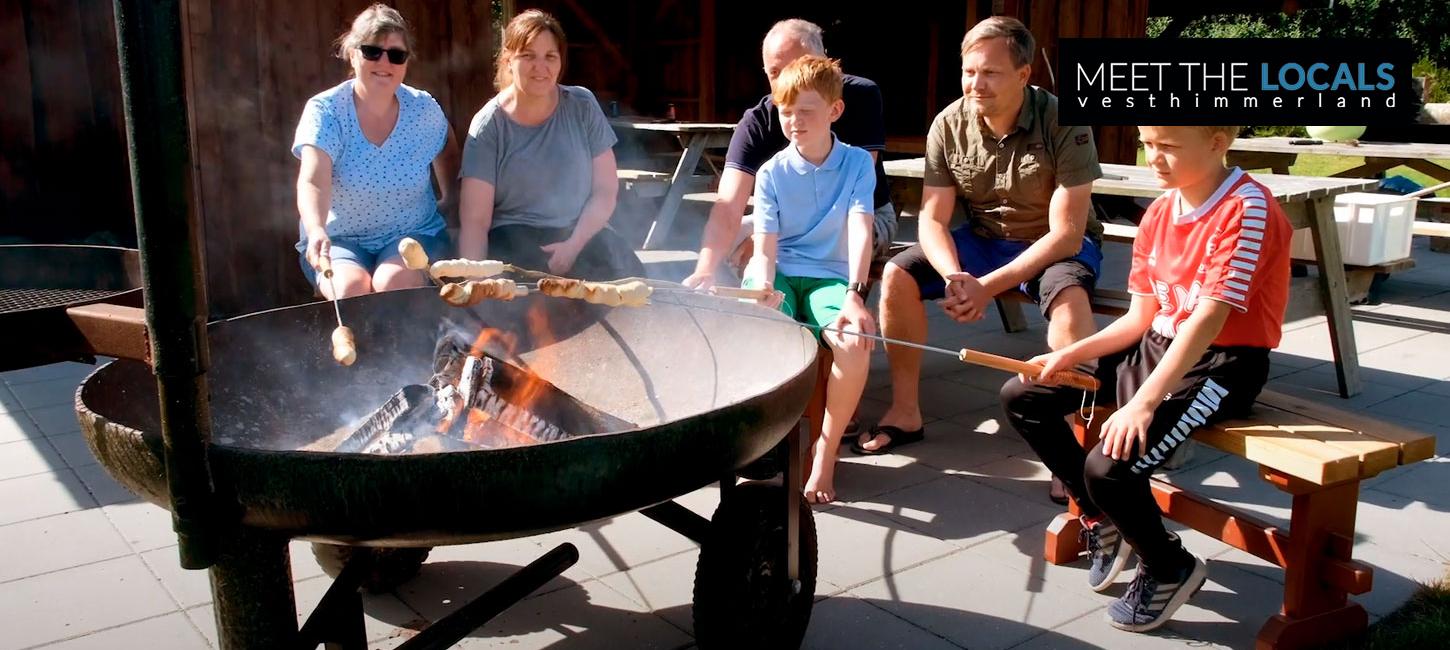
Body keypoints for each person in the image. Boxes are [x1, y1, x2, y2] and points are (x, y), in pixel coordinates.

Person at [1000, 125, 1291, 632]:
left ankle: (1169, 565)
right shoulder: (1159, 209)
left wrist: (1143, 402)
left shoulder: (1249, 207)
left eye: (1169, 147)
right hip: (1155, 347)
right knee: (1024, 394)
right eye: (1147, 143)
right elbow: (1140, 321)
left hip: (1221, 364)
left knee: (1109, 469)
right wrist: (1068, 354)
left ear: (1220, 141)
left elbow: (1208, 319)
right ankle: (1104, 519)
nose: (1153, 159)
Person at [863, 17, 1102, 506]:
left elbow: (1066, 234)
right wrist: (955, 275)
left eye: (990, 73)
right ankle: (905, 411)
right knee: (896, 275)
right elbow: (931, 219)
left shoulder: (1065, 119)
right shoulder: (948, 124)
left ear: (1023, 74)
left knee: (1071, 304)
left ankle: (1070, 446)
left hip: (1050, 242)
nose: (976, 83)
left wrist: (987, 287)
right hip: (984, 239)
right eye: (969, 71)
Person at [745, 56, 876, 504]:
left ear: (834, 111)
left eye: (806, 111)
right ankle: (764, 443)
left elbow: (862, 229)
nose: (794, 121)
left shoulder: (858, 163)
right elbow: (764, 249)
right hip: (780, 271)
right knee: (756, 327)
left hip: (829, 279)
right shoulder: (770, 173)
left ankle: (826, 449)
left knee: (855, 340)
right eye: (786, 111)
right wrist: (763, 288)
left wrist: (856, 296)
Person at [682, 18, 895, 291]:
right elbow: (728, 205)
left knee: (798, 245)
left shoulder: (861, 96)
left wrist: (765, 242)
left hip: (860, 215)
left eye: (796, 67)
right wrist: (705, 270)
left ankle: (832, 310)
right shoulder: (757, 122)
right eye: (774, 73)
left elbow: (847, 200)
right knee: (726, 242)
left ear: (822, 62)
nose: (785, 81)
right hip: (786, 219)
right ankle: (754, 313)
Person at [458, 9, 643, 280]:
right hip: (514, 237)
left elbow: (605, 190)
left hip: (579, 230)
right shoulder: (489, 125)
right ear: (509, 60)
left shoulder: (582, 105)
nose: (540, 67)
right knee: (529, 301)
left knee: (633, 281)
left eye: (550, 57)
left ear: (560, 62)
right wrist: (474, 283)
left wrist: (573, 246)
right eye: (528, 56)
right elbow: (475, 221)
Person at [294, 3, 459, 297]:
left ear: (407, 61)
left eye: (396, 55)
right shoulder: (326, 111)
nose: (384, 63)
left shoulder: (423, 109)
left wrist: (450, 198)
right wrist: (316, 228)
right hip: (338, 237)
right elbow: (313, 179)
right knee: (350, 289)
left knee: (391, 286)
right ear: (353, 53)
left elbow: (446, 146)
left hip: (411, 233)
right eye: (373, 51)